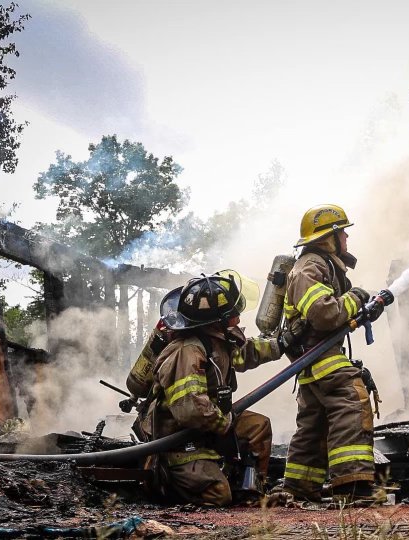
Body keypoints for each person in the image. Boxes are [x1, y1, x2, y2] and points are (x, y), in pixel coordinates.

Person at [130, 272, 283, 506]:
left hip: (209, 425)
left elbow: (244, 353)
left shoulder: (217, 339)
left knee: (257, 426)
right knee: (218, 494)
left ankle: (251, 491)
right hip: (177, 440)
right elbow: (191, 410)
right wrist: (225, 424)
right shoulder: (187, 352)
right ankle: (164, 483)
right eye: (232, 314)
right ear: (215, 320)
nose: (237, 318)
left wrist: (281, 344)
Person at [278, 204, 383, 504]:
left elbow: (333, 315)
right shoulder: (310, 267)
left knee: (314, 422)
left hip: (312, 358)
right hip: (319, 356)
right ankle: (352, 485)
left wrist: (365, 309)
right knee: (351, 400)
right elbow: (324, 315)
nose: (347, 237)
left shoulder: (320, 265)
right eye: (342, 232)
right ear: (329, 237)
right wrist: (356, 297)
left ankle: (300, 486)